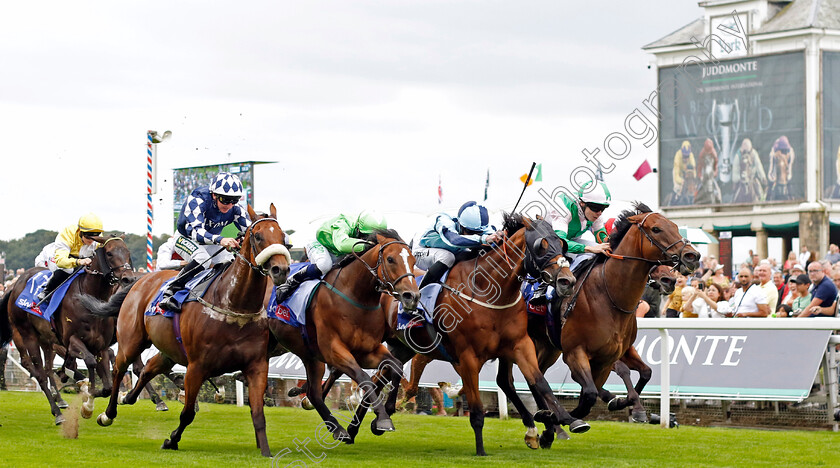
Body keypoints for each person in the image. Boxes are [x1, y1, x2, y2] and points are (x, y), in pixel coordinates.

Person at [158, 172, 251, 312]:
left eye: (234, 200)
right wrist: (222, 240)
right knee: (203, 259)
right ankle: (171, 291)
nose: (229, 205)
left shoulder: (235, 209)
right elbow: (197, 233)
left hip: (211, 242)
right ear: (214, 195)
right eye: (225, 200)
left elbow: (253, 230)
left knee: (230, 260)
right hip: (187, 237)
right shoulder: (197, 200)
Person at [275, 210, 388, 303]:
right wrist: (368, 245)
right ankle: (291, 281)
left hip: (339, 251)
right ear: (358, 229)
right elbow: (342, 244)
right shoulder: (343, 224)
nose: (368, 240)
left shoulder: (364, 228)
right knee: (324, 265)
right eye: (366, 236)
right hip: (321, 244)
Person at [413, 201, 502, 288]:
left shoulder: (481, 227)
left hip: (449, 251)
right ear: (460, 225)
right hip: (421, 251)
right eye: (470, 232)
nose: (473, 235)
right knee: (447, 257)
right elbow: (454, 240)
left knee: (474, 255)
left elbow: (494, 236)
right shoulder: (444, 221)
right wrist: (482, 238)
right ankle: (419, 293)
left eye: (478, 233)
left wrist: (501, 236)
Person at [34, 213, 103, 302]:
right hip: (55, 256)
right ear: (80, 232)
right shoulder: (67, 235)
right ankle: (46, 292)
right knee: (68, 270)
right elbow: (61, 261)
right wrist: (79, 262)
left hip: (80, 257)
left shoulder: (98, 240)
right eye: (88, 236)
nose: (91, 240)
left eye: (95, 236)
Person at [551, 181, 611, 272]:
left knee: (600, 250)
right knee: (592, 249)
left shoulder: (595, 212)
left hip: (569, 240)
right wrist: (591, 249)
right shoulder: (564, 208)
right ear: (582, 203)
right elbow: (559, 242)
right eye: (596, 208)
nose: (599, 213)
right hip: (550, 241)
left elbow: (603, 238)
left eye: (603, 208)